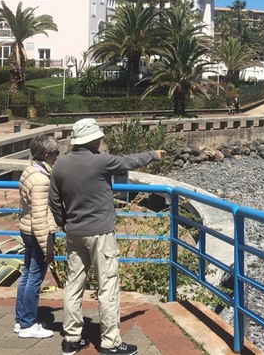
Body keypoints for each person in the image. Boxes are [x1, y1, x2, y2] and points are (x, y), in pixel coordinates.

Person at [48, 117, 165, 355]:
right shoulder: (101, 161)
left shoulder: (60, 165)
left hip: (75, 232)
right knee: (108, 286)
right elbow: (129, 161)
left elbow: (54, 201)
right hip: (100, 232)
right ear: (91, 140)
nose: (102, 140)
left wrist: (65, 223)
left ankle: (71, 339)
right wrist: (153, 153)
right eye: (99, 137)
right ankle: (110, 342)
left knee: (74, 284)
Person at [14, 134, 61, 339]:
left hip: (26, 229)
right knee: (34, 278)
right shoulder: (42, 180)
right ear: (48, 155)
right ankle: (27, 324)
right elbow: (41, 217)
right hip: (38, 232)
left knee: (26, 275)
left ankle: (21, 319)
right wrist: (48, 249)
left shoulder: (29, 171)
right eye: (57, 153)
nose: (58, 157)